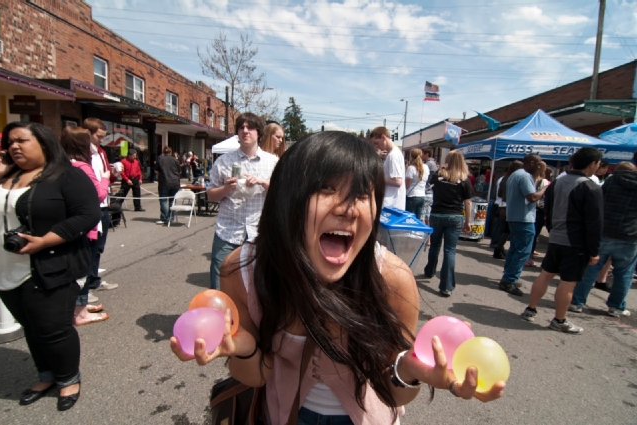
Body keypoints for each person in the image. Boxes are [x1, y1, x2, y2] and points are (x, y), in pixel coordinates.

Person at [171, 132, 504, 424]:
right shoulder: (244, 271)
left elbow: (394, 393)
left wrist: (410, 372)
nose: (348, 208)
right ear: (288, 200)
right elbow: (257, 377)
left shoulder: (393, 279)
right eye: (326, 188)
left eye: (362, 193)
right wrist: (243, 347)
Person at [0, 122, 100, 410]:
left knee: (53, 329)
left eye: (21, 140)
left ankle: (68, 379)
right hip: (6, 269)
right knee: (31, 326)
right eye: (10, 141)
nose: (13, 146)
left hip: (49, 266)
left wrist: (44, 241)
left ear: (43, 143)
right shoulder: (7, 176)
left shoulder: (67, 176)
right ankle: (46, 375)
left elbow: (87, 214)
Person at [521, 148, 603, 334]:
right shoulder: (591, 188)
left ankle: (530, 308)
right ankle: (559, 319)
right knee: (568, 282)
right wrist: (594, 250)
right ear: (592, 163)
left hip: (556, 237)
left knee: (546, 274)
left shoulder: (557, 182)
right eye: (598, 163)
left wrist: (551, 229)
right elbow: (594, 222)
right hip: (576, 242)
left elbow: (547, 210)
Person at [206, 112, 278, 290]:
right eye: (241, 127)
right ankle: (220, 315)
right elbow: (210, 195)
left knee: (260, 283)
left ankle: (254, 317)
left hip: (259, 232)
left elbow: (281, 192)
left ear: (258, 132)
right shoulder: (223, 161)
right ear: (237, 132)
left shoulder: (272, 162)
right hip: (228, 231)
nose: (245, 131)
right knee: (220, 279)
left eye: (250, 127)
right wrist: (226, 188)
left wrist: (261, 182)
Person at [570, 161, 637, 317]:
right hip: (629, 235)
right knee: (624, 274)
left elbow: (597, 204)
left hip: (604, 231)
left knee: (591, 268)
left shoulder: (610, 182)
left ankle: (577, 302)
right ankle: (616, 306)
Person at [59, 126, 111, 326]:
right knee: (83, 266)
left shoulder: (63, 165)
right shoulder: (82, 167)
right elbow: (98, 194)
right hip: (85, 225)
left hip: (71, 224)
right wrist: (105, 180)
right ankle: (80, 312)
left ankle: (79, 305)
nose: (94, 145)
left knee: (81, 265)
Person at [423, 150, 473, 297]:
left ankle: (430, 270)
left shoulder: (438, 176)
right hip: (455, 215)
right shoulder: (465, 179)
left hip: (437, 214)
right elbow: (468, 202)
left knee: (435, 245)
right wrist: (468, 221)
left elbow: (429, 182)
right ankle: (446, 286)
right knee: (450, 250)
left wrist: (441, 169)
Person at [498, 154, 548, 296]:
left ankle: (508, 277)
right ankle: (509, 280)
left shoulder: (516, 174)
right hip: (523, 218)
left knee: (515, 249)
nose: (540, 167)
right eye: (538, 164)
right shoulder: (524, 176)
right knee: (522, 251)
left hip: (516, 216)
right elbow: (531, 197)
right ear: (531, 163)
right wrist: (544, 189)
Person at [83, 118, 118, 297]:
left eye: (104, 136)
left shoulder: (101, 153)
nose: (101, 140)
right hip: (89, 206)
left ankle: (93, 280)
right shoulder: (81, 153)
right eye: (99, 136)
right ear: (87, 133)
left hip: (103, 205)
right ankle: (84, 288)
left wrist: (114, 175)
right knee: (88, 247)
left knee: (98, 246)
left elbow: (106, 177)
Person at [491, 161, 524, 259]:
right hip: (505, 206)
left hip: (500, 205)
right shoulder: (510, 179)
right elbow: (505, 195)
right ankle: (498, 249)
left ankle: (498, 248)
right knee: (505, 231)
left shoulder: (503, 178)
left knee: (502, 229)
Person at [370, 127, 405, 210]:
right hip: (392, 204)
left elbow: (397, 181)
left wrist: (377, 179)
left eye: (376, 143)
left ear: (383, 137)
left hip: (391, 205)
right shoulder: (394, 153)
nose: (376, 146)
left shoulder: (393, 155)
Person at [155, 146, 181, 225]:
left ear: (163, 152)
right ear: (171, 152)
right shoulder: (175, 160)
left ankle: (164, 218)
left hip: (164, 182)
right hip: (175, 182)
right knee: (172, 200)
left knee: (163, 200)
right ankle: (171, 217)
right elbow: (179, 171)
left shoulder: (160, 160)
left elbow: (156, 171)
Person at [529, 161, 550, 263]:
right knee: (534, 233)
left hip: (530, 208)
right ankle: (529, 253)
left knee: (530, 233)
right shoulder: (544, 182)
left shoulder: (530, 179)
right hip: (539, 210)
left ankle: (529, 252)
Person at [404, 148, 429, 221]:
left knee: (409, 219)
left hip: (412, 195)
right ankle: (417, 232)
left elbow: (407, 185)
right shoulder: (426, 167)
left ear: (411, 156)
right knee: (418, 219)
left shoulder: (411, 168)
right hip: (422, 195)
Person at [421, 147, 437, 227]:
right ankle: (428, 238)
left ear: (427, 154)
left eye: (422, 154)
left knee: (422, 216)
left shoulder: (427, 164)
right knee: (427, 216)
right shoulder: (433, 163)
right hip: (430, 192)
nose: (421, 155)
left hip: (426, 191)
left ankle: (423, 236)